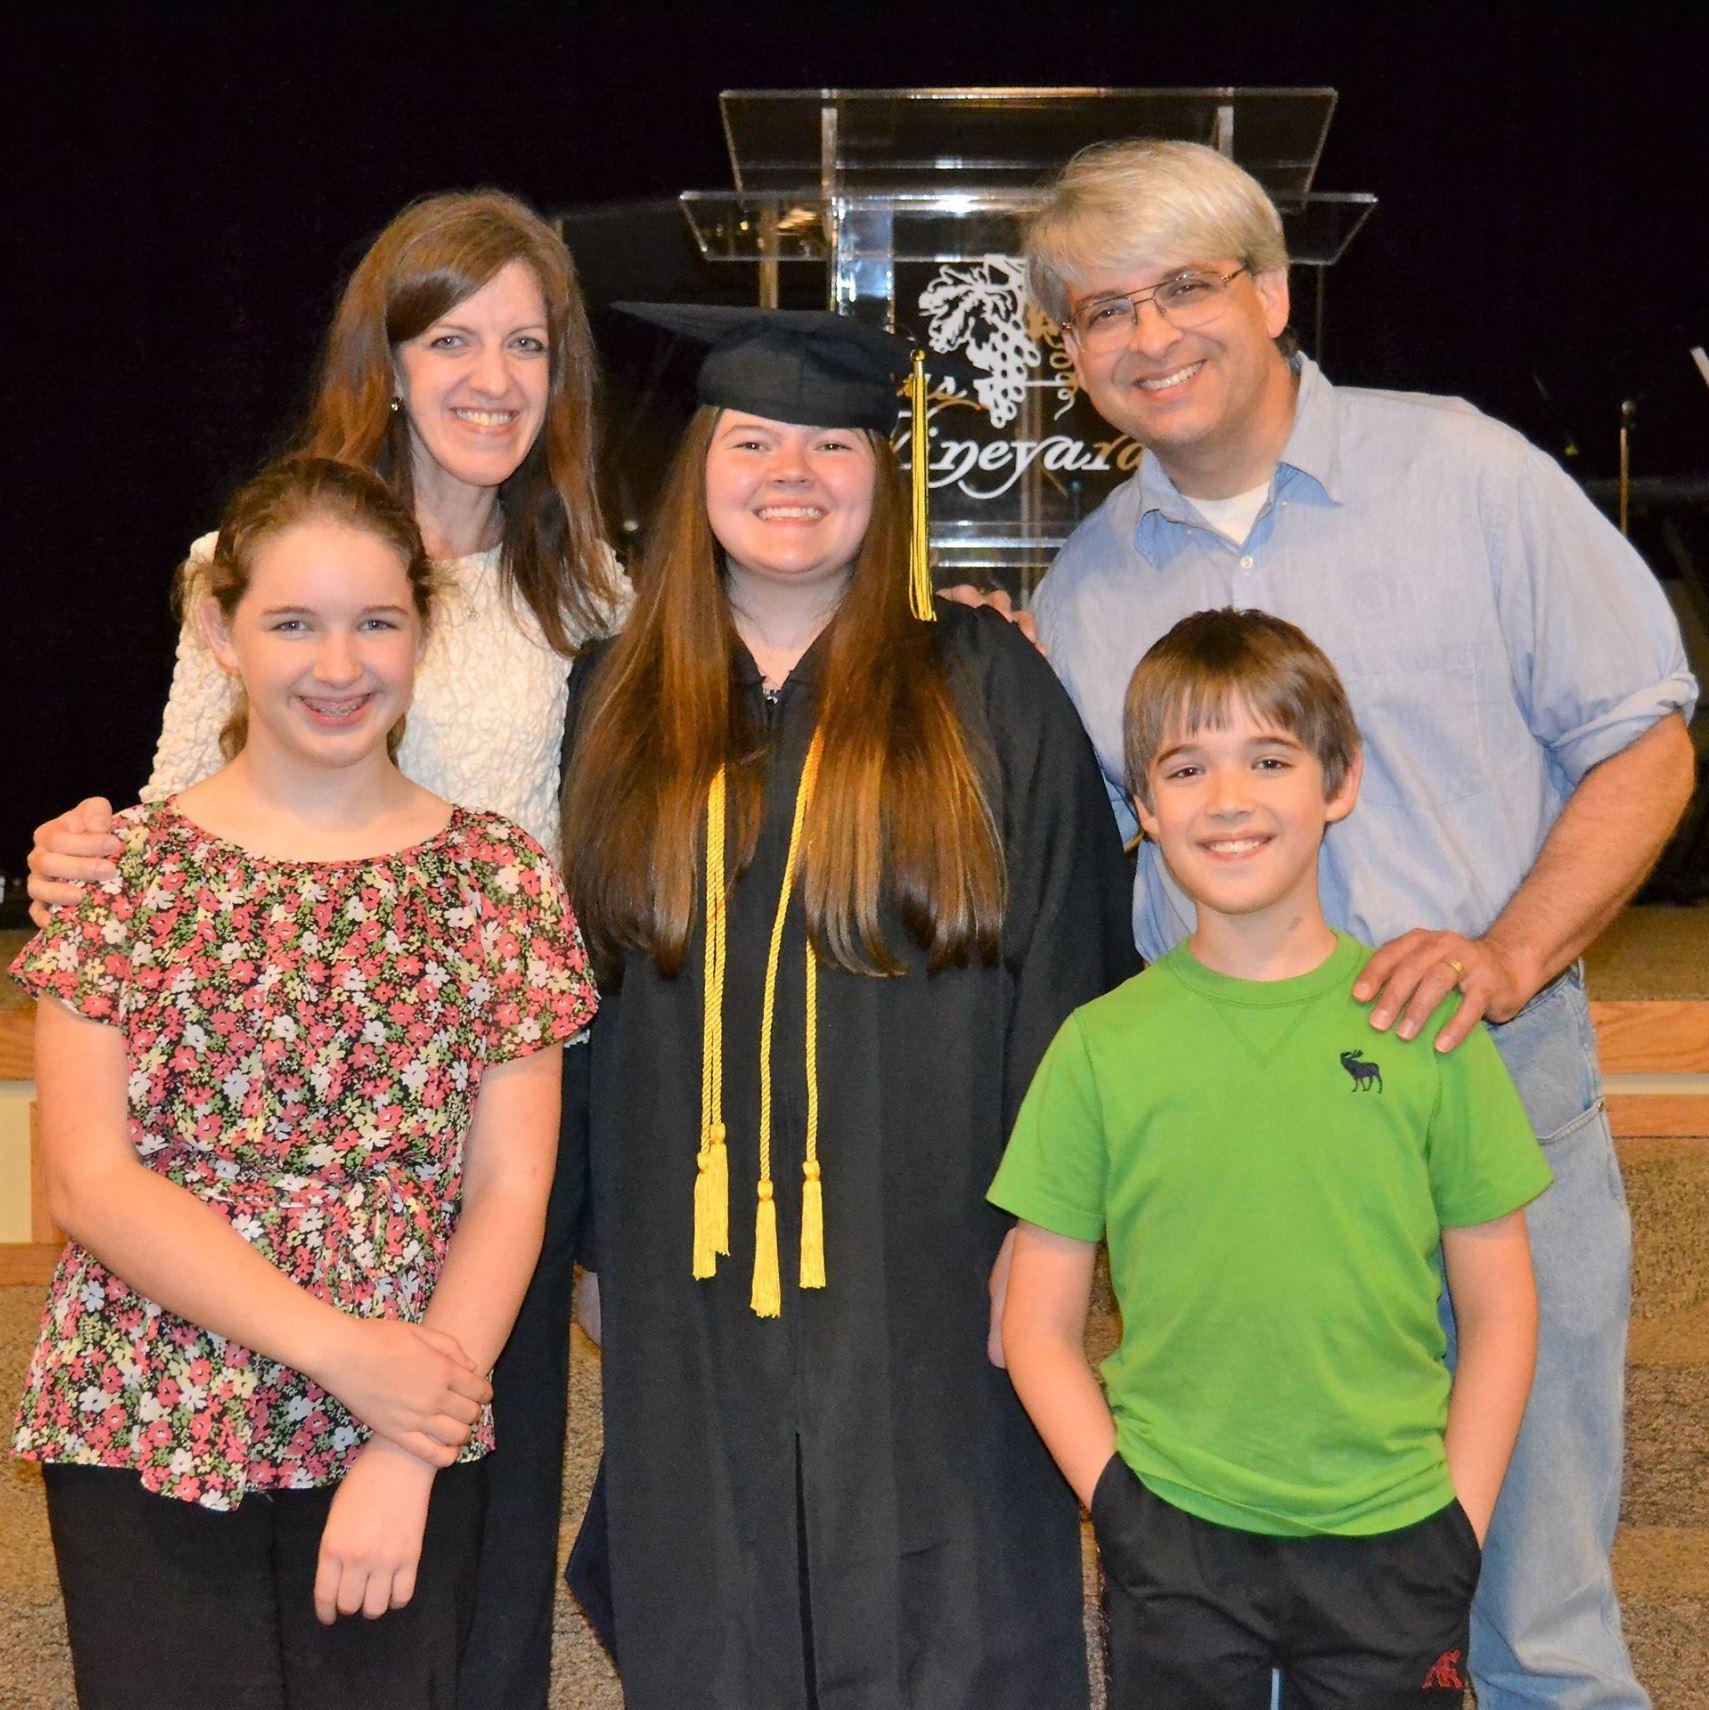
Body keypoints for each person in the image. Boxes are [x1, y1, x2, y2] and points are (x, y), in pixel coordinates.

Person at [1017, 138, 1697, 1708]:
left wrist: (1509, 952)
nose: (1148, 334)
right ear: (1071, 354)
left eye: (1185, 286)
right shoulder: (1093, 583)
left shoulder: (1467, 474)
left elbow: (1645, 738)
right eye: (1101, 309)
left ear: (1267, 290)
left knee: (1532, 1621)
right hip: (1245, 1199)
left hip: (1488, 1120)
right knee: (1253, 1645)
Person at [23, 188, 625, 1708]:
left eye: (526, 343)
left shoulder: (591, 578)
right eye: (451, 338)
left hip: (478, 1087)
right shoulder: (252, 559)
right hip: (248, 1102)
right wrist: (93, 867)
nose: (491, 375)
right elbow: (186, 799)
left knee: (454, 1594)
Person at [559, 303, 1136, 1709]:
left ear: (889, 478)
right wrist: (581, 1233)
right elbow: (569, 987)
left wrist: (1048, 1233)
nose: (793, 471)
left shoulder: (989, 688)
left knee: (951, 1595)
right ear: (696, 469)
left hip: (935, 1245)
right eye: (753, 438)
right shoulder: (610, 698)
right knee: (711, 1588)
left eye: (834, 442)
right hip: (679, 1249)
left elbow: (1075, 979)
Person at [993, 607, 1550, 1708]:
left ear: (1335, 783)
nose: (1229, 799)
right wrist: (1122, 1508)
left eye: (1268, 758)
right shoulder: (1101, 1046)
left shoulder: (1424, 1027)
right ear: (1144, 809)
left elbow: (1501, 1308)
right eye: (1186, 768)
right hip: (1177, 1541)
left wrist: (1459, 1521)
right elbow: (1033, 1325)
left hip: (1397, 1536)